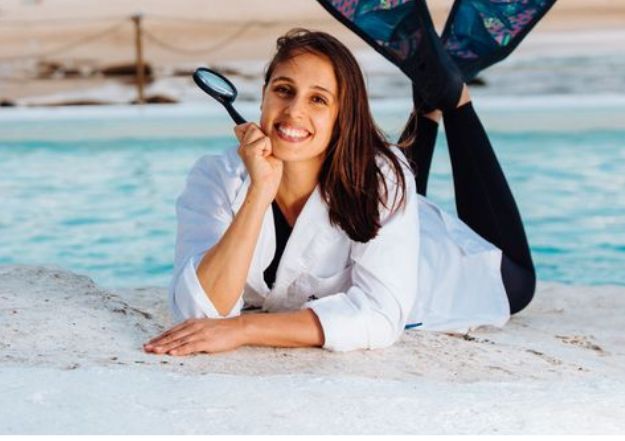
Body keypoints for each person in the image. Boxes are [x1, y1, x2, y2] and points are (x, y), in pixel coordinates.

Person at [146, 29, 531, 355]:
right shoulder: (216, 177)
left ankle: (455, 102)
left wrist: (246, 329)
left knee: (519, 284)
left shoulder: (384, 180)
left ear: (341, 114)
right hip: (381, 205)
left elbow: (380, 316)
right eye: (284, 90)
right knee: (390, 173)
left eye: (318, 99)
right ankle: (426, 110)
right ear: (263, 96)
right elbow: (199, 311)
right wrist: (259, 192)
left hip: (433, 267)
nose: (294, 110)